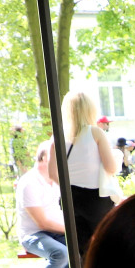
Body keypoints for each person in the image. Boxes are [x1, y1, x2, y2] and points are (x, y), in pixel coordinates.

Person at [48, 92, 118, 256]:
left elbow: (52, 173)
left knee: (81, 250)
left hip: (69, 198)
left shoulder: (57, 137)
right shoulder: (95, 133)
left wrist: (69, 186)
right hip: (95, 198)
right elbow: (111, 167)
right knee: (105, 245)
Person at [17, 142, 68, 268]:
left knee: (80, 249)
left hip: (54, 232)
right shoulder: (29, 183)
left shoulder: (55, 180)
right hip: (33, 234)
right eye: (58, 156)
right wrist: (69, 231)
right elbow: (42, 223)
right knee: (61, 253)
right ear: (45, 158)